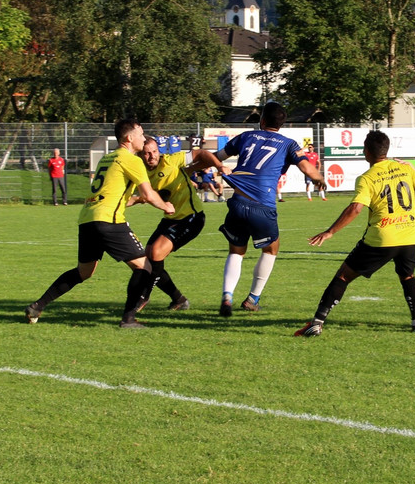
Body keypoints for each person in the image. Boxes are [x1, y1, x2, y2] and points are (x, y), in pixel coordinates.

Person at [24, 118, 174, 328]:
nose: (143, 138)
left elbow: (112, 196)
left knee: (83, 272)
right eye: (140, 134)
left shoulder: (107, 159)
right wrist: (166, 206)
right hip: (109, 221)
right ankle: (128, 319)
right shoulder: (132, 160)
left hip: (88, 219)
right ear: (129, 138)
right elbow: (149, 194)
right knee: (145, 267)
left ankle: (37, 306)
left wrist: (137, 200)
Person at [295, 130, 415, 337]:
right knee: (407, 276)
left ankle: (317, 322)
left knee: (343, 275)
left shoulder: (367, 178)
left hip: (382, 238)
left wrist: (330, 231)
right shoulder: (405, 169)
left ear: (366, 151)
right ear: (386, 149)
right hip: (411, 237)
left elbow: (356, 208)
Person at [214, 101, 325, 316]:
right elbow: (306, 167)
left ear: (262, 120)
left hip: (237, 202)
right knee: (271, 249)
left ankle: (227, 295)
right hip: (262, 206)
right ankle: (252, 299)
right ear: (281, 124)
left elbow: (218, 157)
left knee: (236, 251)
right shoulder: (289, 144)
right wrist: (318, 178)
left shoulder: (246, 136)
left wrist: (210, 166)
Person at [128, 138, 228, 311]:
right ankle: (178, 299)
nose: (152, 156)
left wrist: (219, 166)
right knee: (148, 257)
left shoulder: (171, 160)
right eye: (147, 153)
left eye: (154, 151)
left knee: (156, 253)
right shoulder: (140, 170)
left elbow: (201, 153)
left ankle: (143, 296)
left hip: (192, 217)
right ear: (140, 155)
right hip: (170, 219)